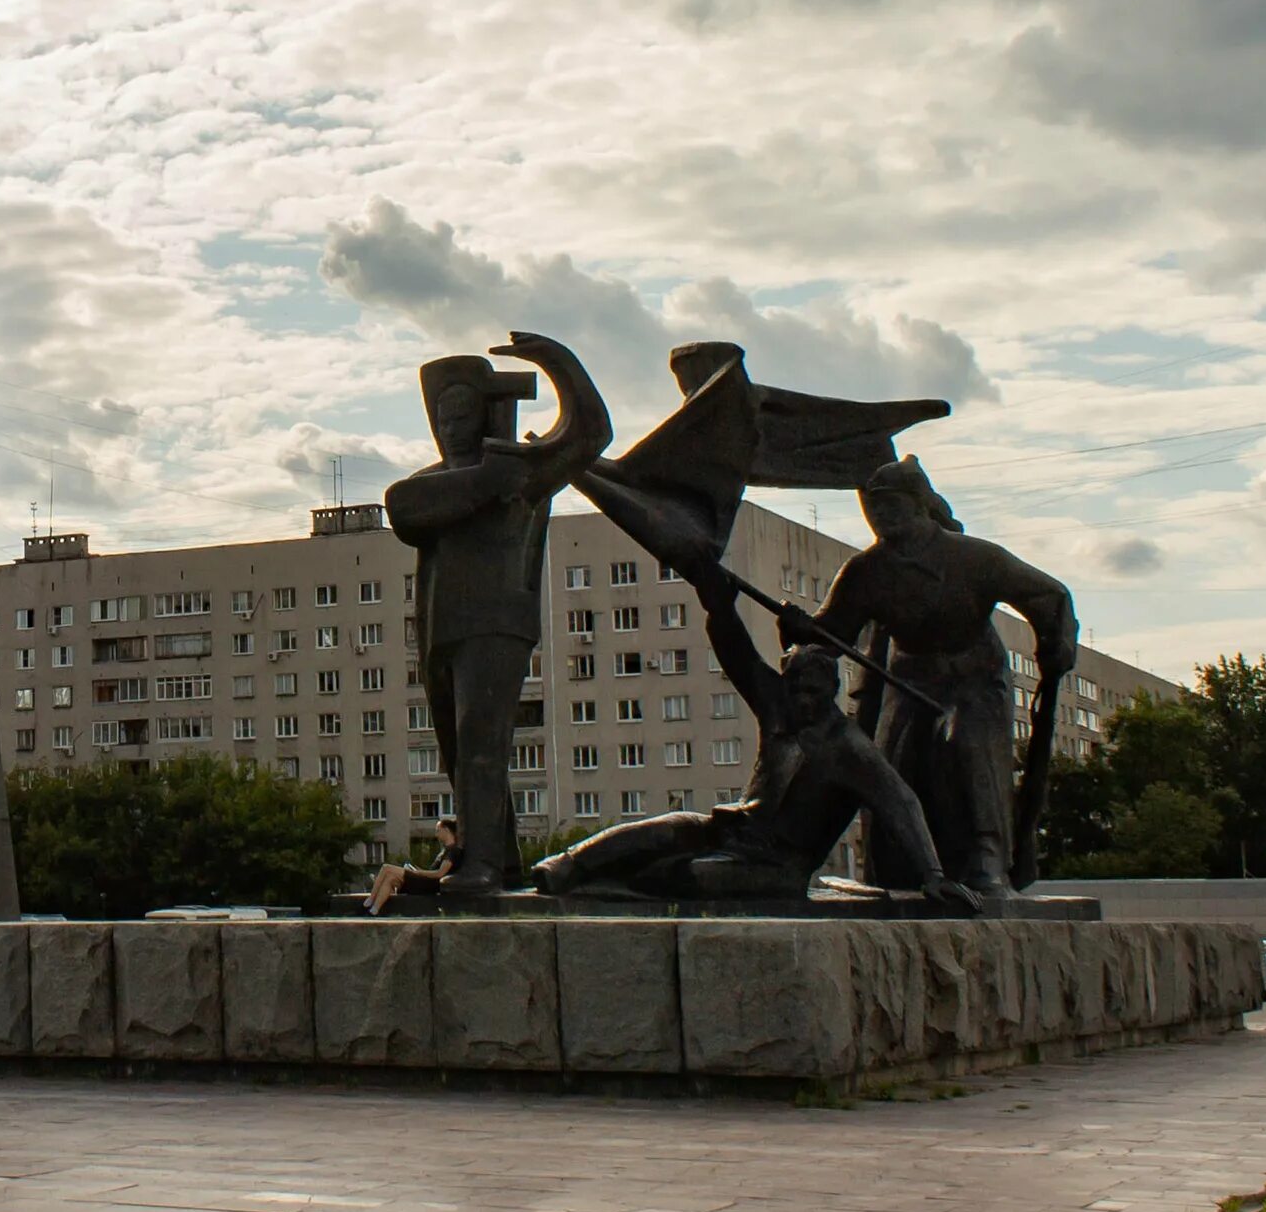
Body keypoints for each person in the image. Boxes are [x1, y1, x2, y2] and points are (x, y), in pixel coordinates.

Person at [532, 569, 975, 908]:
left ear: (832, 692)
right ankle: (568, 866)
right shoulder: (777, 705)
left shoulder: (850, 750)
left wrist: (933, 874)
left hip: (780, 865)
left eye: (813, 694)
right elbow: (739, 656)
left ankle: (612, 887)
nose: (802, 701)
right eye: (795, 689)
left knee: (689, 877)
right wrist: (719, 608)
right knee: (670, 828)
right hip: (732, 829)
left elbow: (901, 802)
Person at [384, 333, 612, 897]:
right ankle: (499, 859)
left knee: (480, 742)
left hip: (496, 623)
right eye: (441, 414)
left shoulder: (527, 469)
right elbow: (404, 509)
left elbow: (591, 433)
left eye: (461, 411)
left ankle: (481, 866)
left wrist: (556, 360)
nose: (450, 425)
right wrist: (492, 480)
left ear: (486, 410)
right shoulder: (445, 482)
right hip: (441, 631)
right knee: (461, 752)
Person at [815, 458, 1076, 899]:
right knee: (892, 766)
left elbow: (1049, 595)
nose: (880, 517)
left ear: (919, 505)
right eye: (872, 509)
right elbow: (832, 628)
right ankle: (895, 867)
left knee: (972, 753)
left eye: (891, 506)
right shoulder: (866, 570)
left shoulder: (974, 557)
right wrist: (801, 626)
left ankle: (987, 861)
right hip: (908, 681)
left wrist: (1057, 646)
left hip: (974, 677)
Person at [366, 817, 463, 914]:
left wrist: (418, 872)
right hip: (424, 881)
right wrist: (419, 870)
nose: (436, 834)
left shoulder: (453, 851)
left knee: (386, 868)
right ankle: (374, 910)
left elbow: (439, 873)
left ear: (446, 830)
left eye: (438, 831)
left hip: (429, 885)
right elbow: (434, 870)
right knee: (390, 878)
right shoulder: (445, 850)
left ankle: (371, 898)